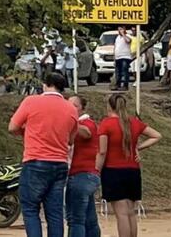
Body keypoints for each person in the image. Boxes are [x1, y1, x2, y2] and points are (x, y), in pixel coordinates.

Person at [8, 72, 78, 237]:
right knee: (54, 213)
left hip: (35, 160)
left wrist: (26, 131)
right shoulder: (71, 108)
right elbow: (71, 140)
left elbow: (12, 127)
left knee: (31, 208)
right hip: (60, 163)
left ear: (45, 85)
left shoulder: (31, 101)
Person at [98, 94, 162, 237]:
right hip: (132, 170)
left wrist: (97, 170)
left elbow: (102, 151)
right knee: (130, 212)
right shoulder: (133, 122)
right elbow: (156, 135)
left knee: (121, 213)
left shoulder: (106, 124)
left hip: (113, 170)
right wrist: (138, 147)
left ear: (109, 106)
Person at [66, 94, 101, 237]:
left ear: (82, 109)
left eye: (75, 106)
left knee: (76, 220)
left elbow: (86, 133)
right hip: (86, 175)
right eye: (69, 105)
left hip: (81, 175)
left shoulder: (87, 123)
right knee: (89, 218)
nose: (71, 109)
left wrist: (71, 122)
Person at [113, 26, 133, 91]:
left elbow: (128, 41)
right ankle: (117, 85)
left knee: (124, 71)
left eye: (121, 29)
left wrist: (123, 34)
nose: (119, 30)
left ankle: (125, 85)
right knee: (118, 72)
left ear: (124, 29)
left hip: (125, 57)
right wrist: (114, 57)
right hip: (118, 57)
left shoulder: (128, 36)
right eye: (119, 29)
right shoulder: (117, 38)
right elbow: (115, 47)